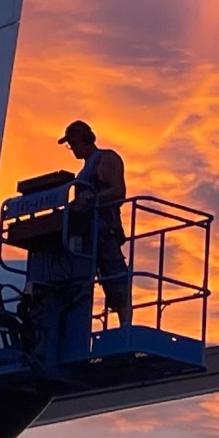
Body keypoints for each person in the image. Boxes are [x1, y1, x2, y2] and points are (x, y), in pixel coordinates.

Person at [58, 120, 134, 328]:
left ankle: (124, 328)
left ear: (87, 138)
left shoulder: (106, 159)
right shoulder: (84, 171)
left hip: (104, 230)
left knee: (117, 281)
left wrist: (91, 199)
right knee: (78, 284)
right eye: (69, 144)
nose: (71, 147)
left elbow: (119, 191)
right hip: (85, 234)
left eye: (73, 141)